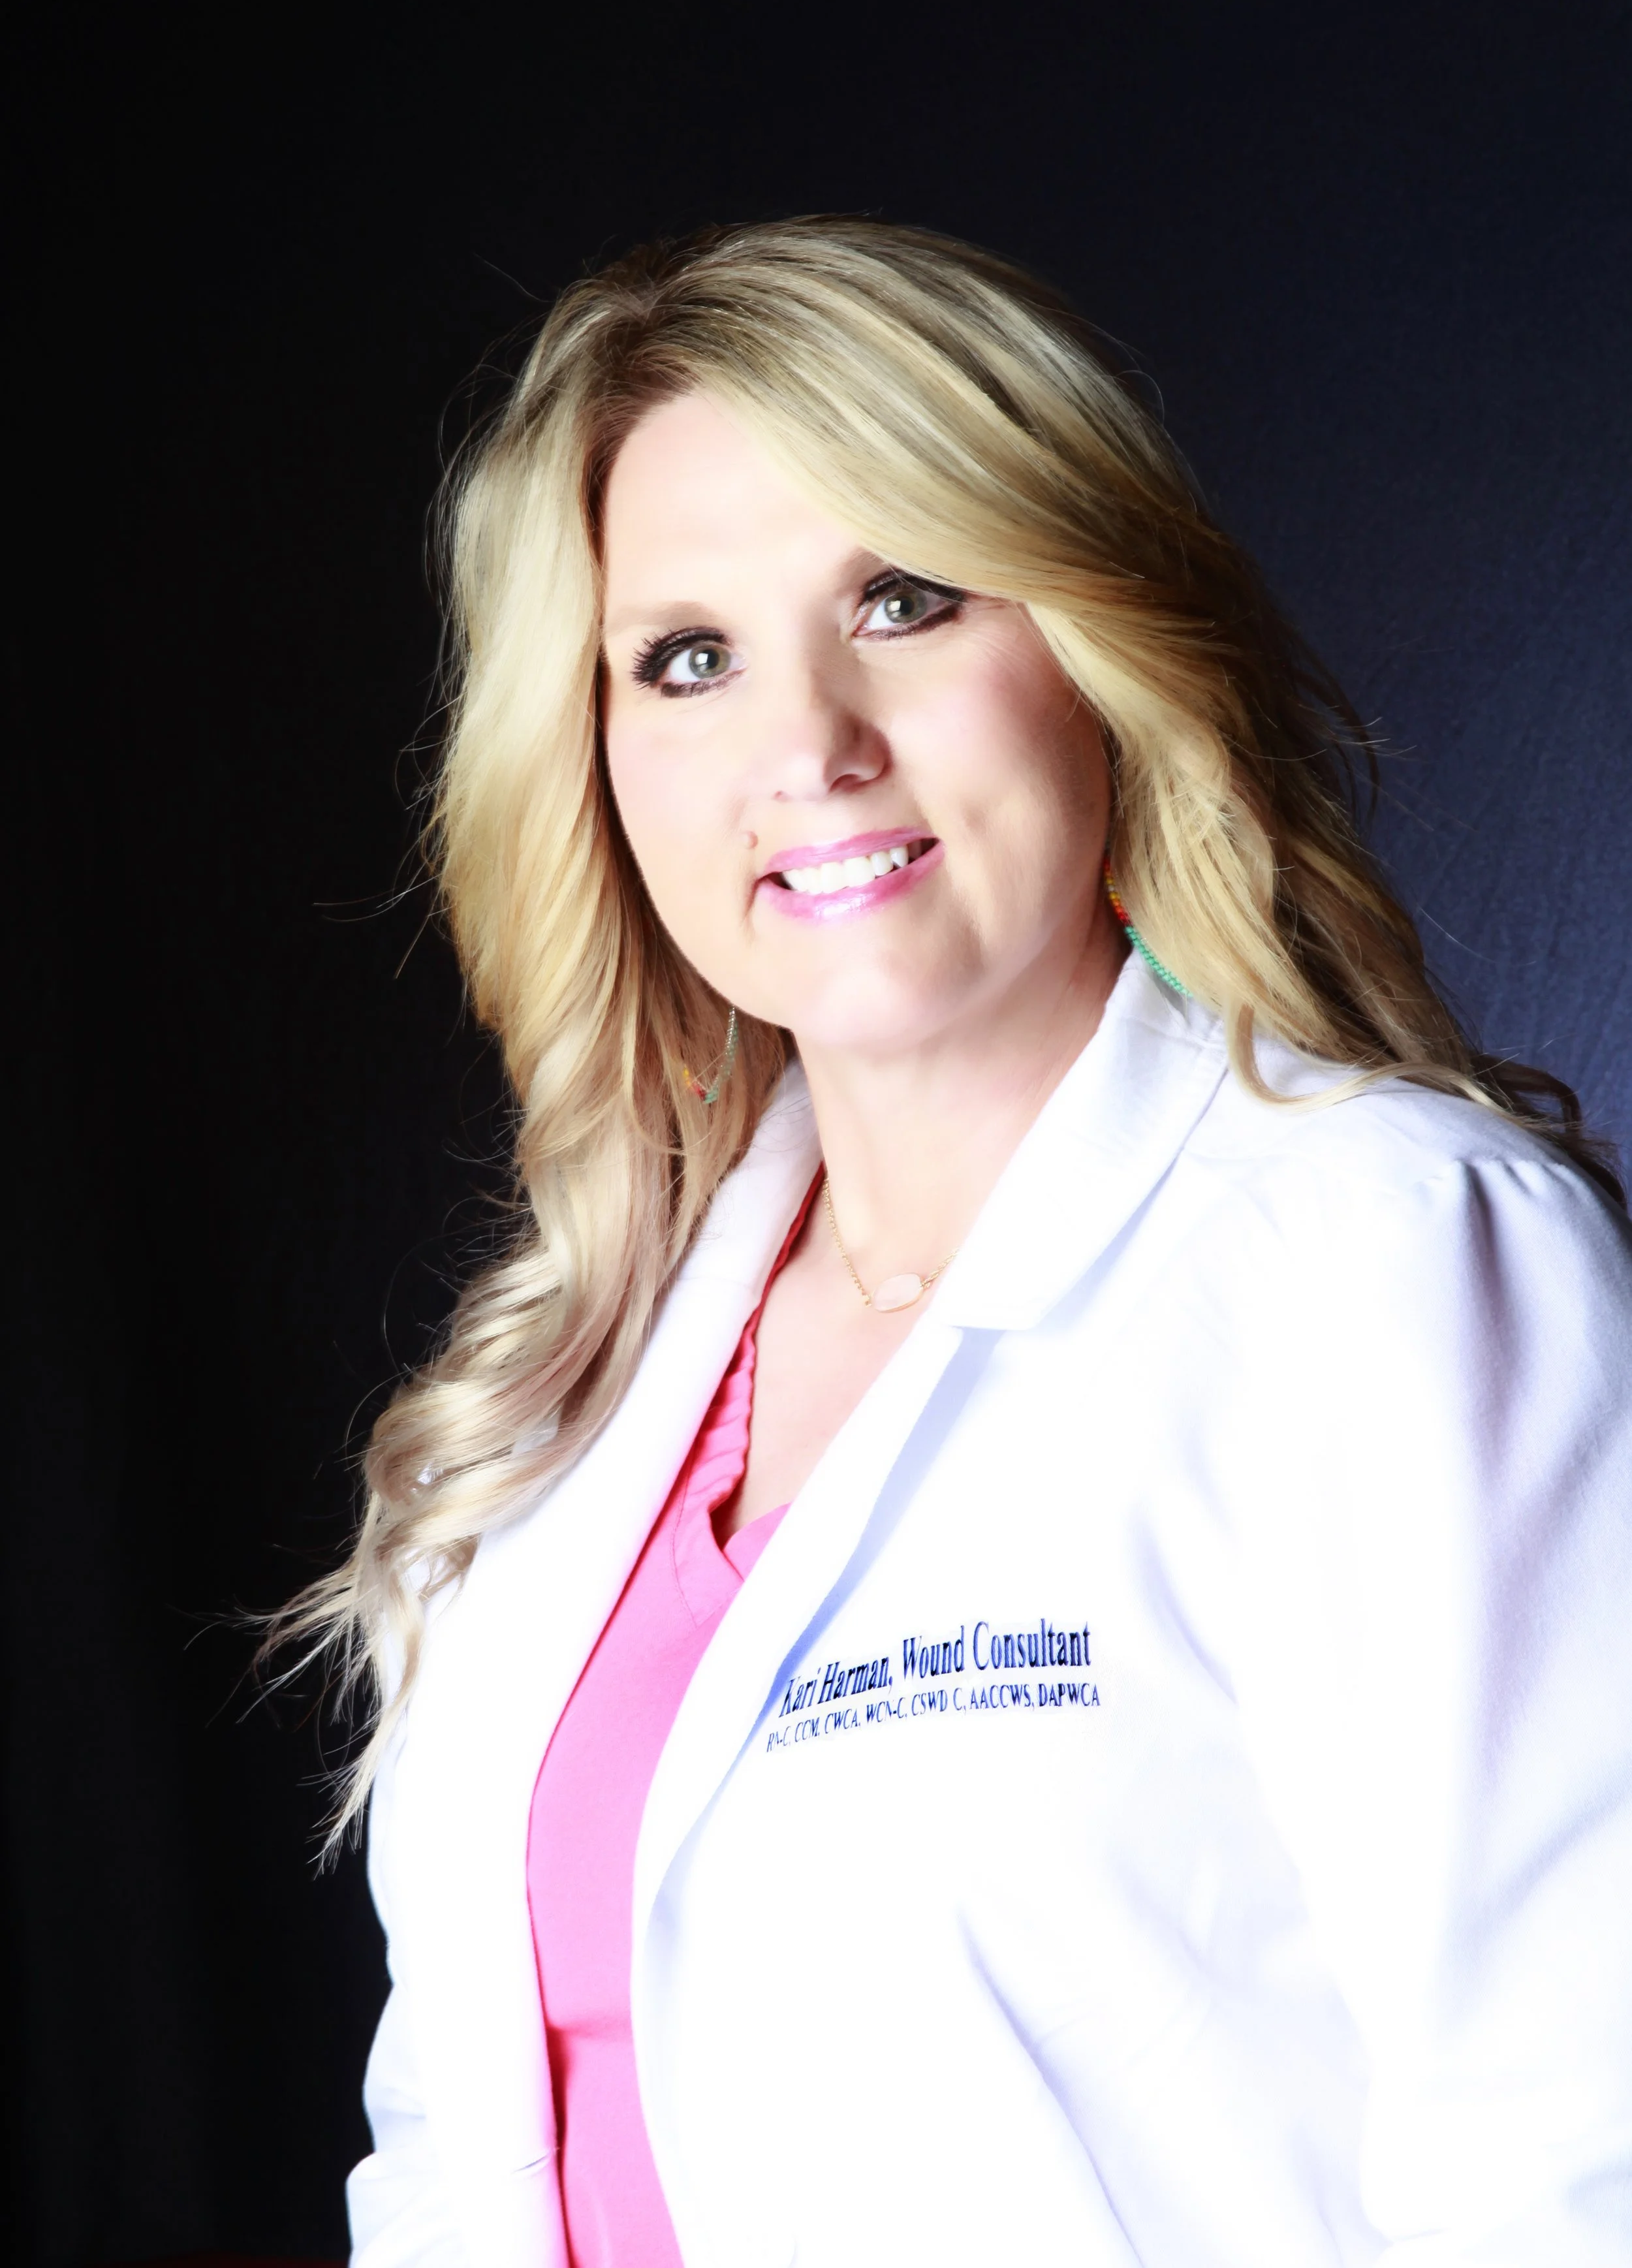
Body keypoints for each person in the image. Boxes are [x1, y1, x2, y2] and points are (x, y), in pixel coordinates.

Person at [288, 219, 1632, 2265]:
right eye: (685, 656)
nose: (804, 742)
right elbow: (454, 2154)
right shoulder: (567, 1409)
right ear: (595, 755)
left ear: (1095, 643)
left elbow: (1570, 2143)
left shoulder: (1387, 1263)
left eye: (902, 600)